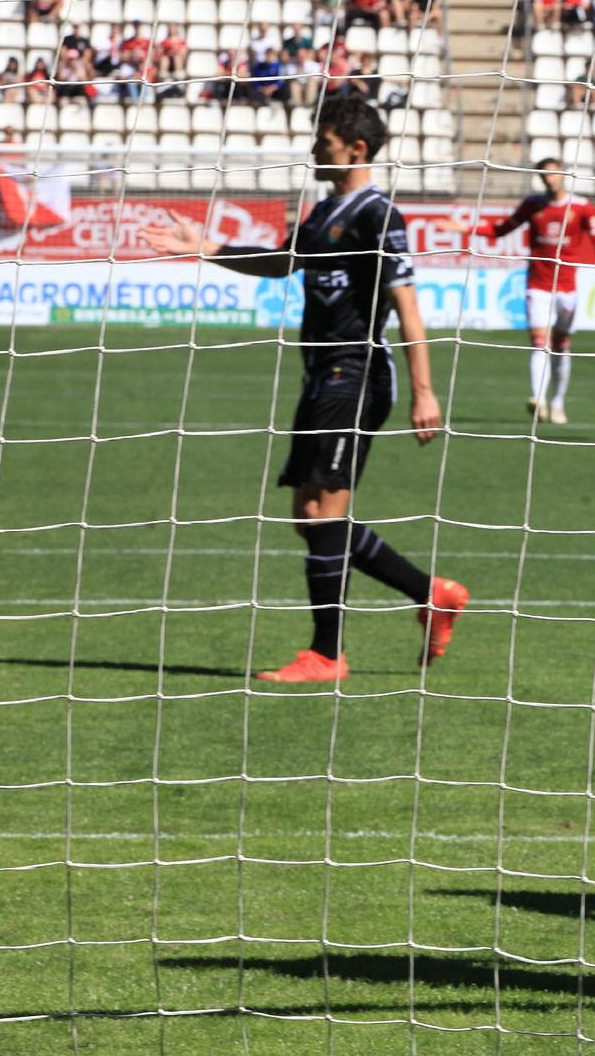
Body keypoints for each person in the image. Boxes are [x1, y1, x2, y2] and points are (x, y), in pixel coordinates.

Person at [141, 96, 468, 683]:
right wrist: (207, 248)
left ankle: (327, 654)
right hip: (321, 374)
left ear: (355, 147)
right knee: (310, 515)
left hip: (358, 371)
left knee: (323, 513)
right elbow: (280, 262)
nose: (315, 149)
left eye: (323, 141)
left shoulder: (377, 214)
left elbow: (408, 306)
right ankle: (430, 593)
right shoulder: (321, 213)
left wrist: (426, 391)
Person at [480, 160, 595, 425]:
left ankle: (558, 402)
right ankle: (538, 399)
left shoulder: (582, 207)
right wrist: (467, 229)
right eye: (544, 175)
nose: (549, 179)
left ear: (563, 175)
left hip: (567, 289)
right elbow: (501, 230)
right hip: (537, 286)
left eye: (553, 173)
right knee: (540, 343)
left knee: (561, 346)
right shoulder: (533, 205)